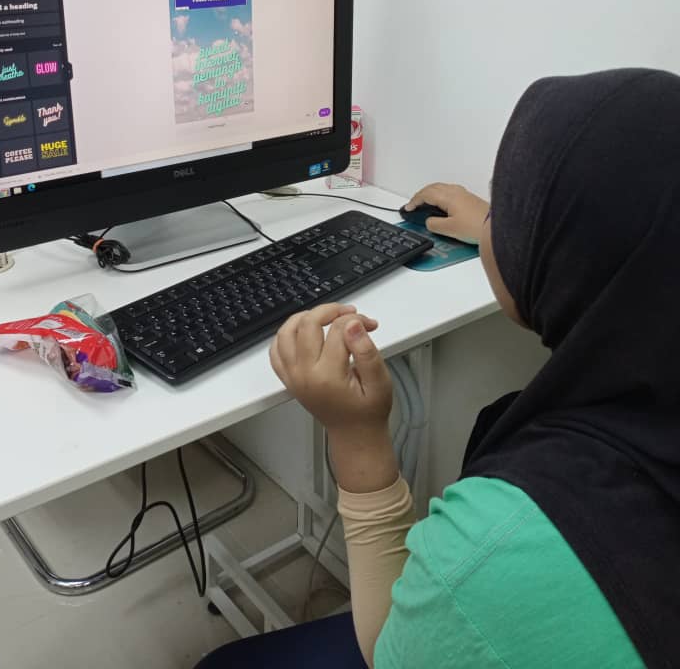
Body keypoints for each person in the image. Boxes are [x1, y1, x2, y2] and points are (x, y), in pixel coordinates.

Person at [196, 69, 679, 668]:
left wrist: (357, 435)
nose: (497, 223)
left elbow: (387, 649)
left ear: (552, 257)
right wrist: (497, 225)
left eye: (509, 212)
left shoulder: (497, 552)